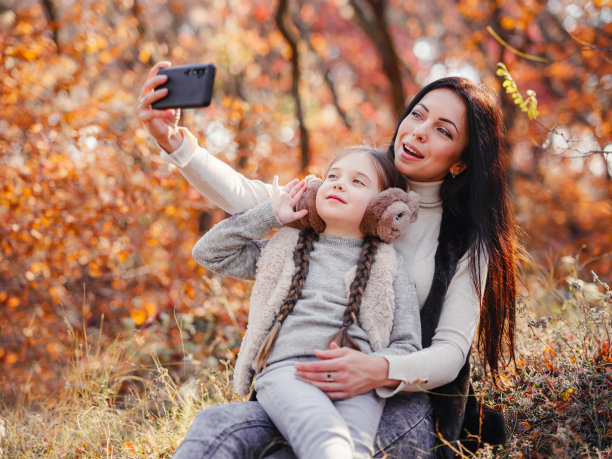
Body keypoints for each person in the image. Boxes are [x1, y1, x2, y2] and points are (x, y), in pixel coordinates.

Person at [138, 61, 517, 458]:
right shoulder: (350, 188)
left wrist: (376, 370)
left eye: (443, 130)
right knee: (217, 429)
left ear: (461, 160)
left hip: (400, 397)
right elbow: (254, 200)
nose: (420, 130)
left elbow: (451, 353)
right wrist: (175, 143)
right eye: (417, 115)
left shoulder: (466, 241)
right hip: (298, 378)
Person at [190, 146, 422, 458]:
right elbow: (209, 253)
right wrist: (270, 216)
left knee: (356, 449)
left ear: (382, 206)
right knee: (325, 438)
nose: (339, 184)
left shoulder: (388, 265)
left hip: (356, 384)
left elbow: (408, 345)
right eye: (333, 176)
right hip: (289, 371)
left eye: (358, 182)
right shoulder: (284, 247)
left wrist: (369, 368)